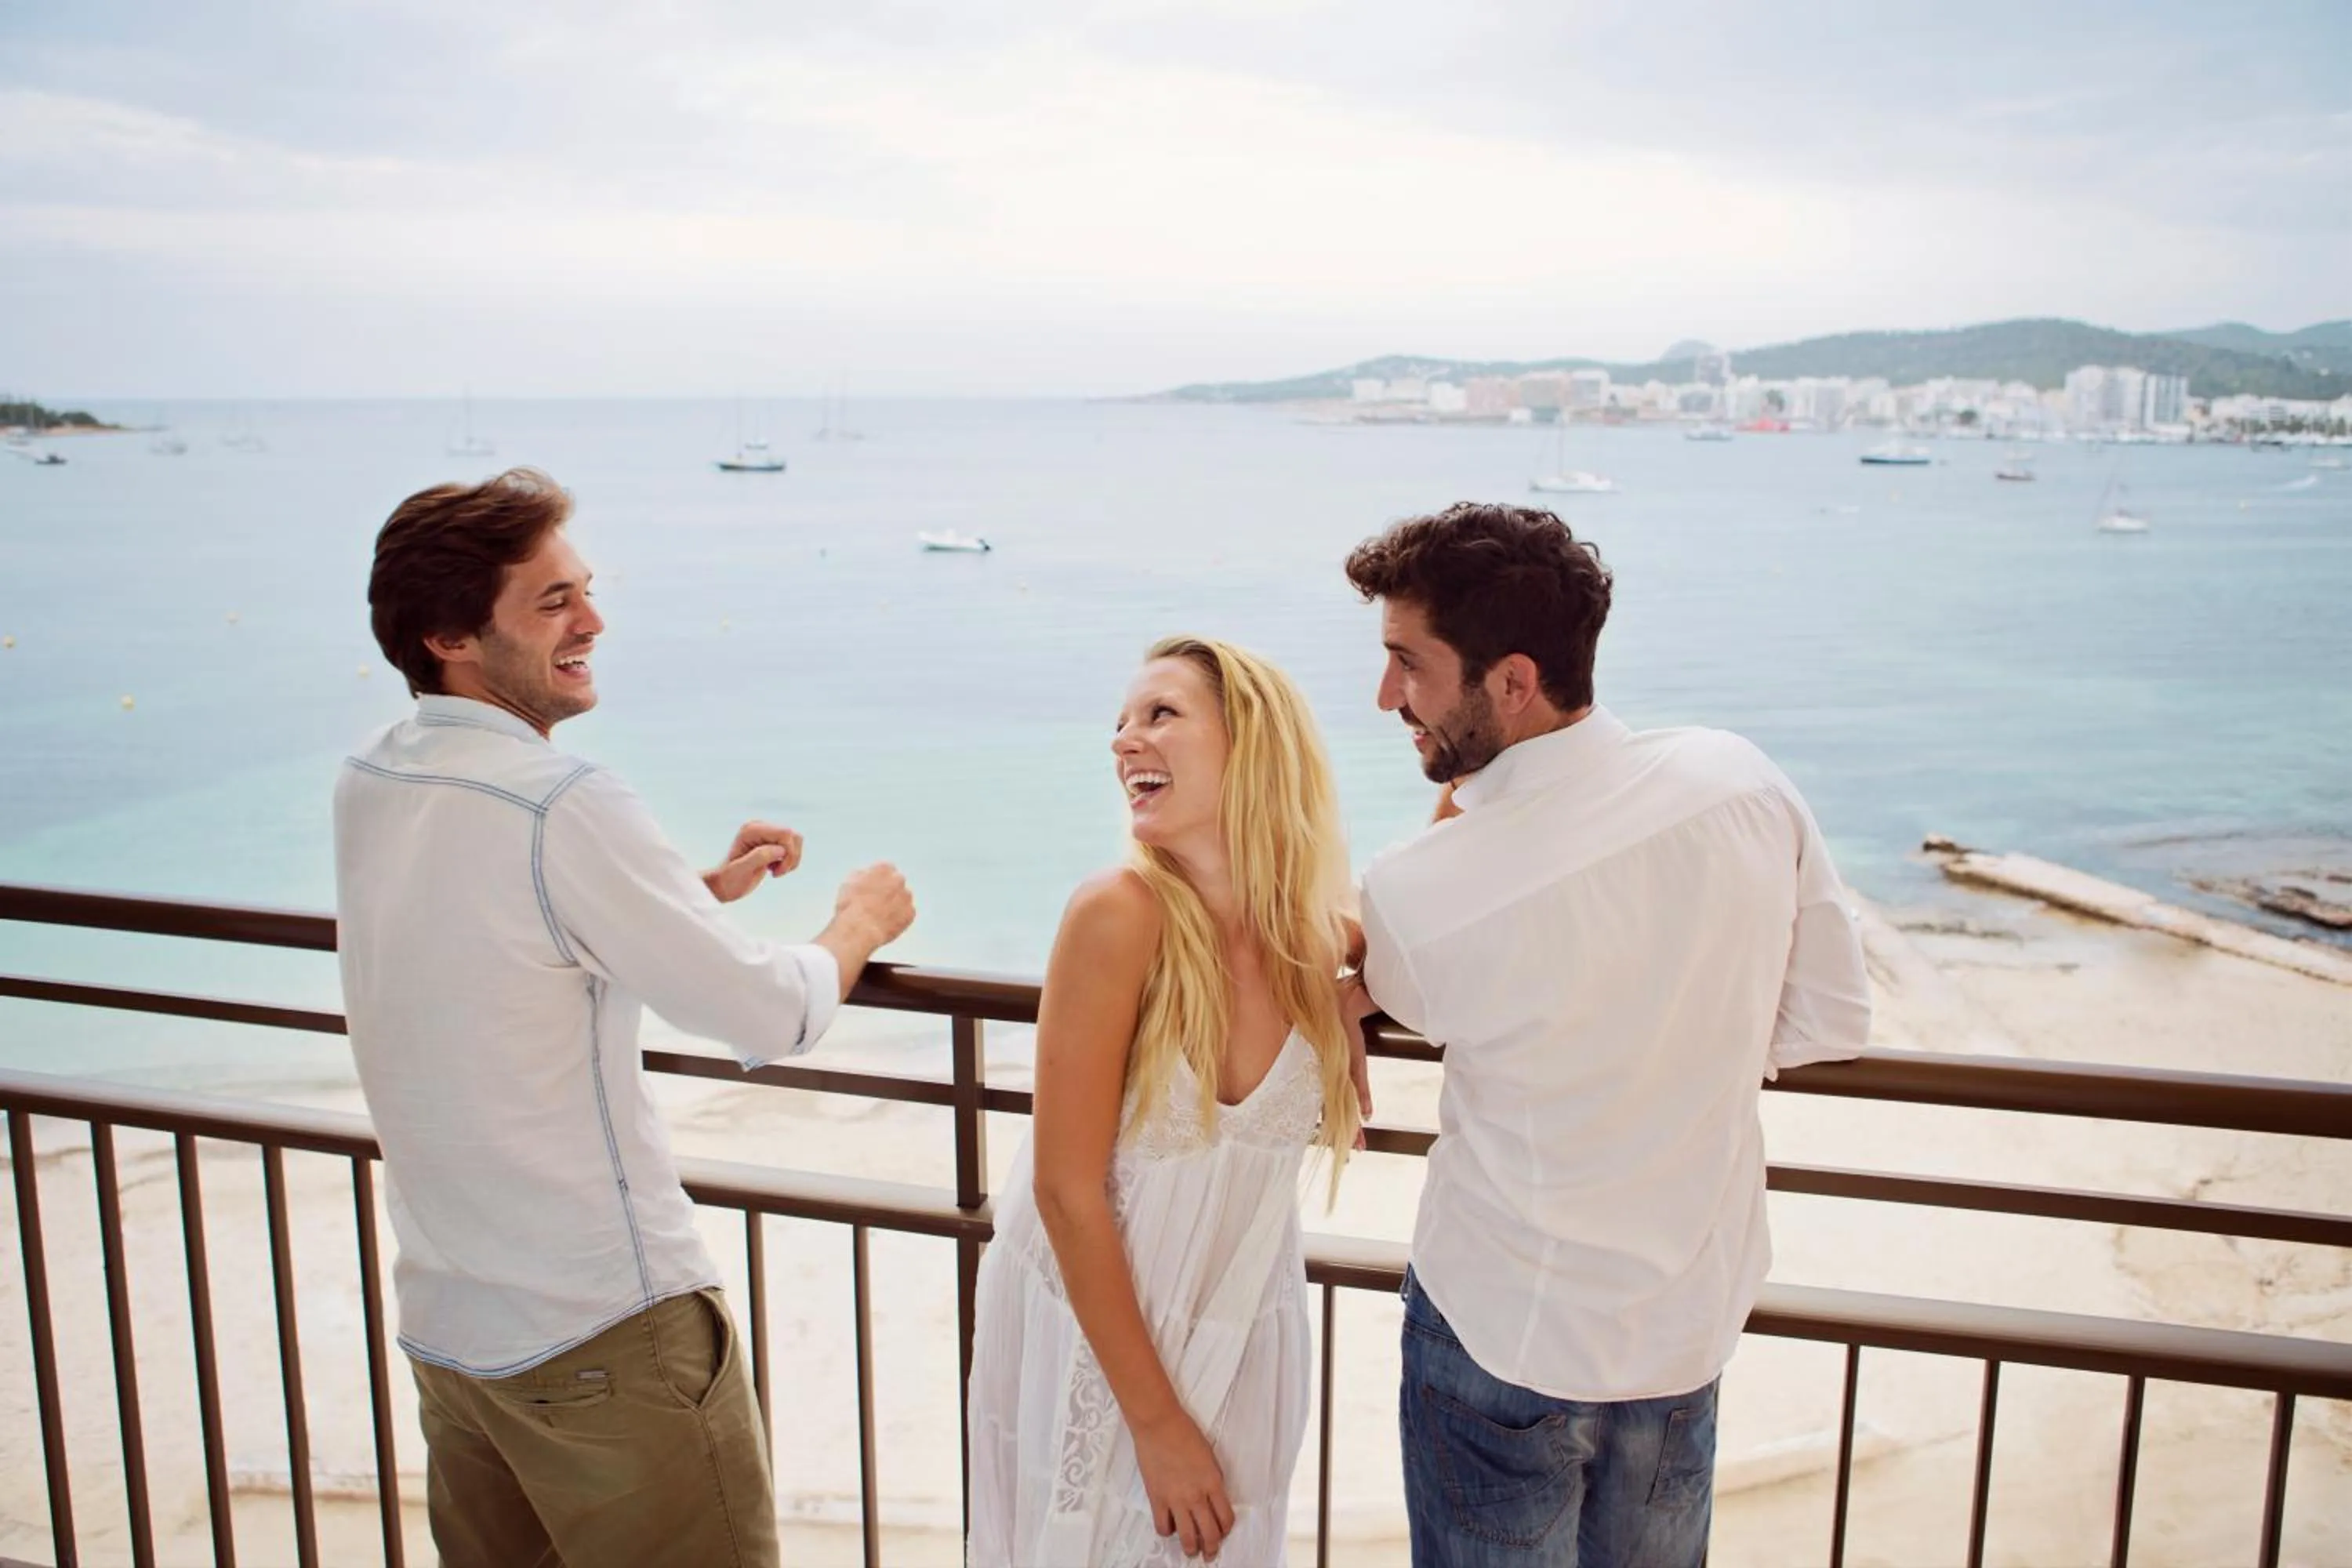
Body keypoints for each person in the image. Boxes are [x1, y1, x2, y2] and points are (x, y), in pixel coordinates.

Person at [335, 467, 914, 1568]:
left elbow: (487, 942)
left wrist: (680, 898)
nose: (593, 620)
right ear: (452, 635)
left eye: (585, 590)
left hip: (454, 1331)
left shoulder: (374, 775)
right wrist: (856, 925)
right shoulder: (565, 804)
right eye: (553, 602)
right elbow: (771, 1016)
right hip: (601, 1333)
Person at [1345, 503, 1872, 1568]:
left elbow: (1408, 986)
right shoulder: (1741, 782)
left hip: (1502, 1334)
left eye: (1409, 664)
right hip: (1680, 1322)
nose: (1386, 696)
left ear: (1511, 682)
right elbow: (1824, 1015)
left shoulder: (1416, 891)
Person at [966, 635, 1370, 1566]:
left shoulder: (1313, 936)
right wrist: (1155, 1424)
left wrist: (1352, 999)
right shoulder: (1119, 912)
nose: (1123, 741)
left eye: (1159, 714)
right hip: (1100, 1343)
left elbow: (1438, 899)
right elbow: (1067, 1192)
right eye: (1120, 722)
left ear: (1251, 744)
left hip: (1244, 1329)